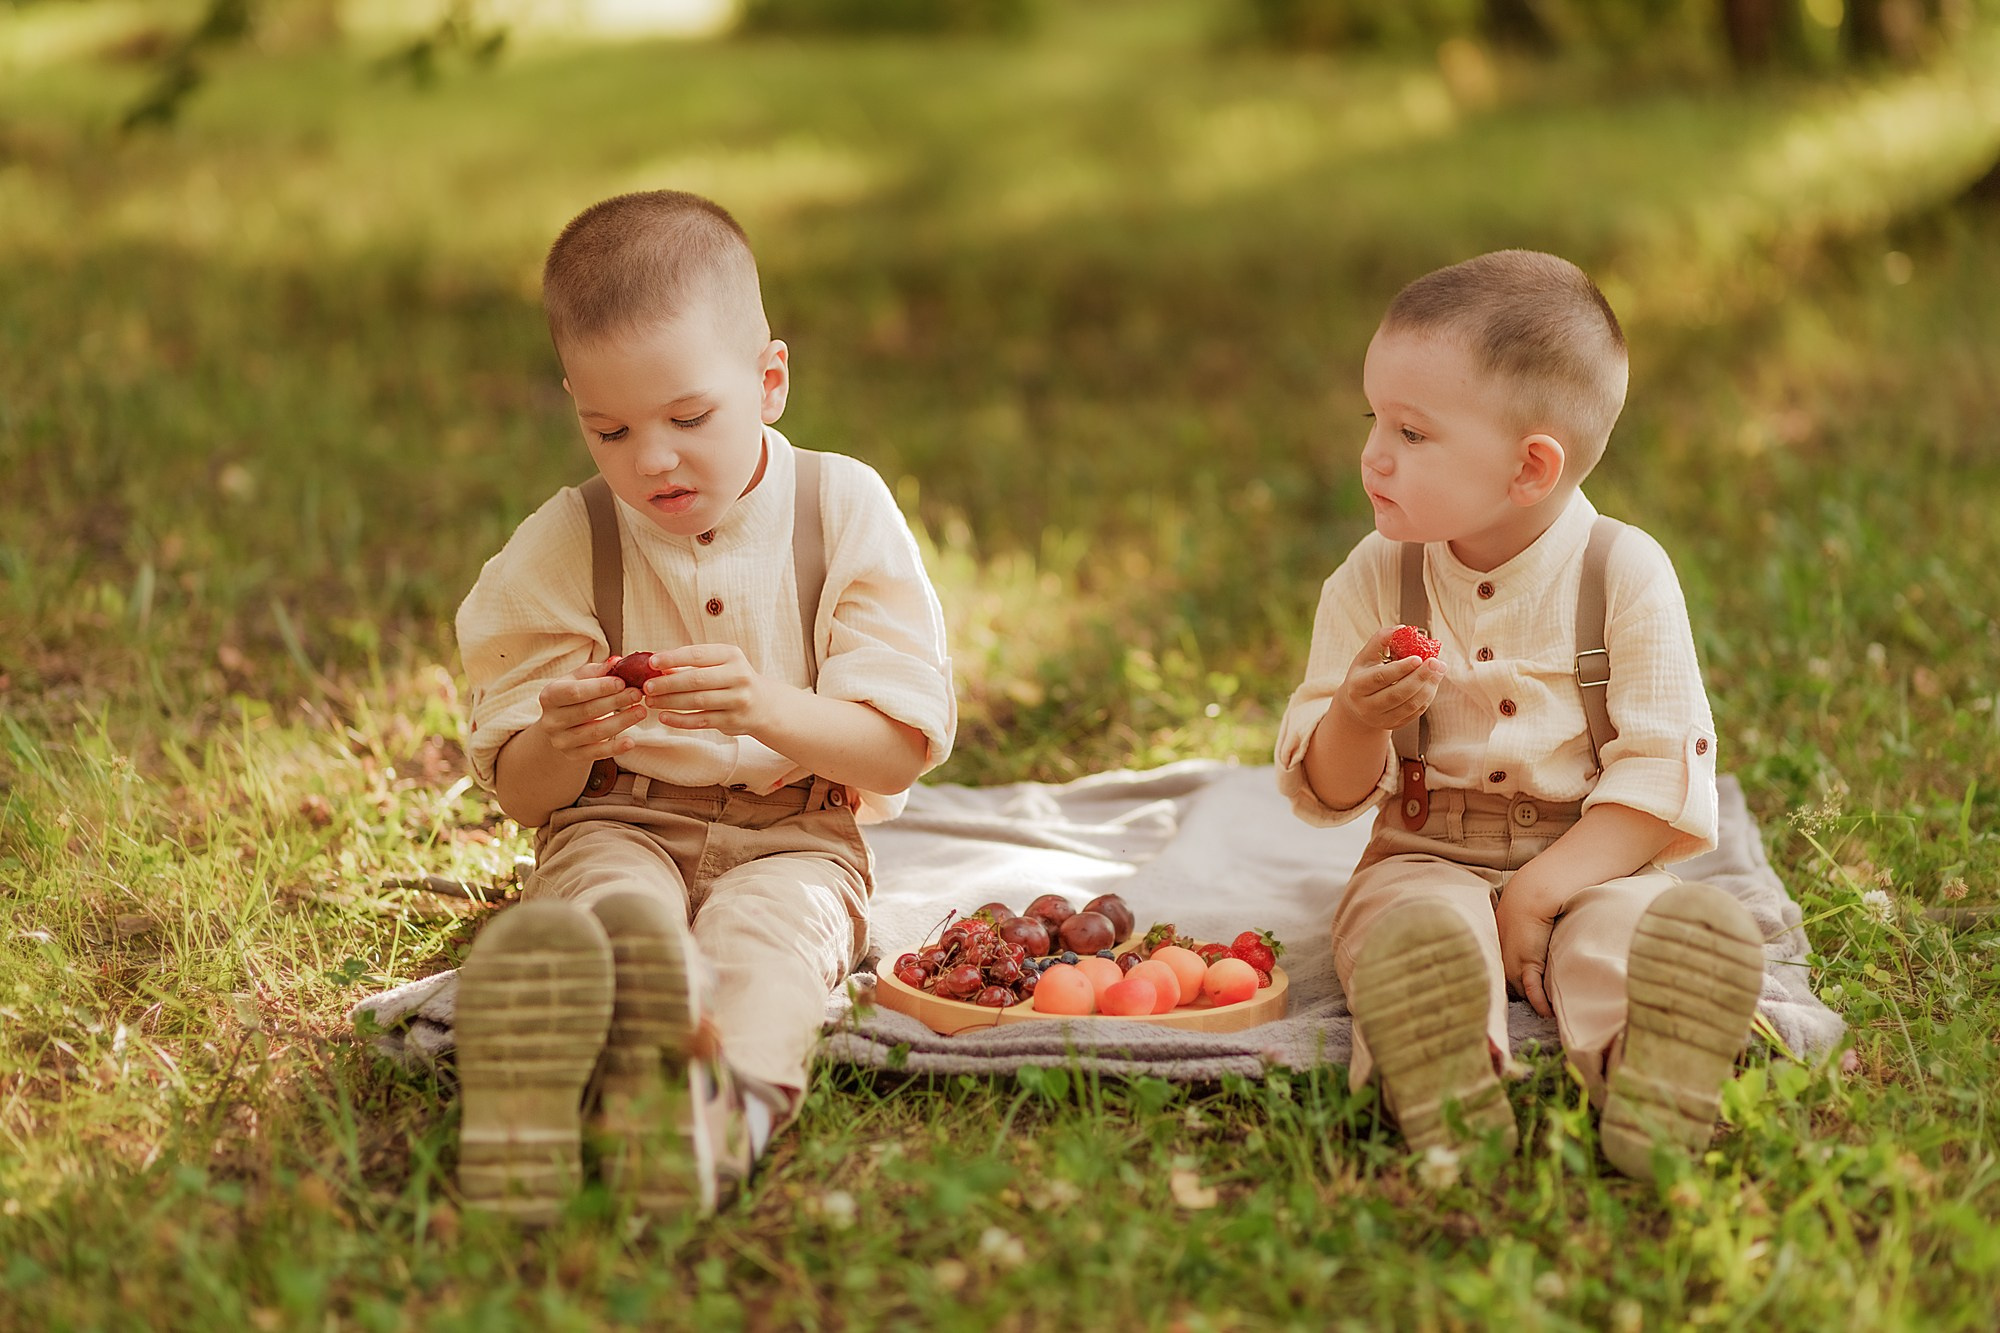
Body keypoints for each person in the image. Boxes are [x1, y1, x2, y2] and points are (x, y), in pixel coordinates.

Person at [451, 190, 955, 1223]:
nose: (651, 459)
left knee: (770, 946)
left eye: (689, 418)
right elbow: (524, 794)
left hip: (797, 833)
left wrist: (766, 707)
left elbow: (894, 753)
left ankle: (701, 1117)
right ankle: (623, 1003)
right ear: (575, 406)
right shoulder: (567, 541)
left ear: (769, 381)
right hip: (617, 813)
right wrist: (561, 738)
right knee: (610, 896)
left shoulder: (840, 510)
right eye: (609, 429)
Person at [1274, 250, 1763, 1176]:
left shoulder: (1623, 572)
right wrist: (1355, 721)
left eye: (1412, 432)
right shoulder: (1375, 576)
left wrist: (1541, 889)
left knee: (1621, 933)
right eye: (1373, 420)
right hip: (1423, 846)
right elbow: (1329, 793)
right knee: (1407, 927)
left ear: (1531, 466)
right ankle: (1442, 1068)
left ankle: (1651, 1068)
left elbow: (1660, 771)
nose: (1374, 454)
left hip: (1592, 850)